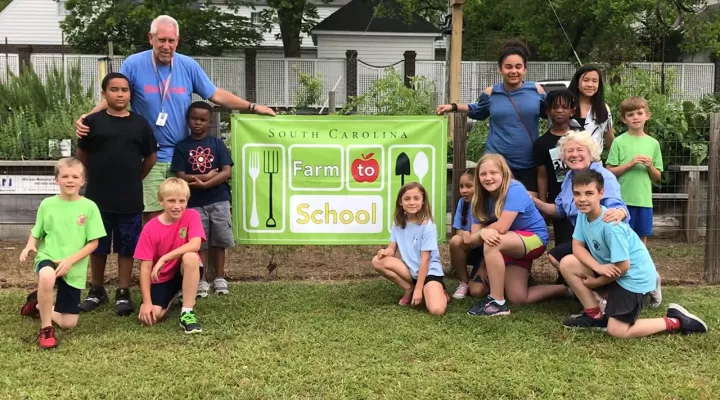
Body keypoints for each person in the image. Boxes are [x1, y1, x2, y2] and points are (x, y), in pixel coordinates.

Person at [74, 15, 275, 224]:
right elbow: (115, 94)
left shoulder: (188, 65)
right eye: (161, 40)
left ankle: (179, 258)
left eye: (171, 41)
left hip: (182, 156)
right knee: (151, 216)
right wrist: (88, 118)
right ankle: (152, 258)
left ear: (177, 41)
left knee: (181, 217)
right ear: (150, 38)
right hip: (148, 156)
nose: (166, 46)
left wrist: (252, 107)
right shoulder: (134, 64)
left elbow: (215, 94)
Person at [558, 169, 707, 337]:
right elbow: (577, 245)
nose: (582, 199)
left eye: (589, 193)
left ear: (601, 193)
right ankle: (595, 315)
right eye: (577, 194)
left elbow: (624, 266)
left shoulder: (611, 226)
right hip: (611, 270)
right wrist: (598, 267)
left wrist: (597, 282)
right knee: (568, 263)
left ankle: (677, 320)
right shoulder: (583, 216)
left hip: (632, 278)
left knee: (617, 332)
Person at [76, 72, 158, 316]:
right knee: (98, 245)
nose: (119, 94)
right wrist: (96, 175)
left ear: (130, 94)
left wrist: (134, 179)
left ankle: (123, 292)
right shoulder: (93, 122)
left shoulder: (140, 124)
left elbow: (151, 158)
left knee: (127, 246)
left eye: (124, 90)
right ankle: (97, 289)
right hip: (98, 198)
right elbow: (83, 155)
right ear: (104, 94)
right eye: (114, 90)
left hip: (130, 198)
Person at [437, 40, 546, 197]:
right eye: (508, 67)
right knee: (496, 208)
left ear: (525, 69)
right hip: (497, 162)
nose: (513, 71)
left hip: (528, 163)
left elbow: (553, 112)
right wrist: (453, 107)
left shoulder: (536, 91)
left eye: (518, 67)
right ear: (500, 70)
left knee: (526, 208)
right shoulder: (491, 93)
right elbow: (477, 111)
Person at [463, 154, 568, 317]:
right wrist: (483, 234)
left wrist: (483, 232)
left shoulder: (515, 189)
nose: (488, 178)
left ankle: (497, 302)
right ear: (477, 177)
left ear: (503, 173)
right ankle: (566, 290)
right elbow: (473, 238)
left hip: (534, 239)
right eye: (483, 174)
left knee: (493, 242)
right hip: (509, 245)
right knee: (517, 297)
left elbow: (501, 228)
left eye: (493, 173)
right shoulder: (479, 199)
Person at [18, 158, 106, 348]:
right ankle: (46, 328)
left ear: (83, 181)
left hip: (73, 266)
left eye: (75, 176)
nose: (70, 180)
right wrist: (29, 245)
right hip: (48, 257)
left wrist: (70, 260)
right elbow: (37, 231)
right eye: (65, 176)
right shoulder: (47, 204)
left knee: (69, 323)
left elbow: (94, 243)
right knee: (47, 275)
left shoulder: (90, 207)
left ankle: (39, 304)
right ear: (56, 180)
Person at [171, 101, 234, 297]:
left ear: (209, 122)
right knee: (201, 242)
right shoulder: (182, 147)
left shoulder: (217, 144)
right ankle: (202, 280)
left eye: (203, 120)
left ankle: (220, 278)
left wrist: (208, 184)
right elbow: (180, 175)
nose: (198, 123)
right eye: (194, 119)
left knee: (220, 239)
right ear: (188, 120)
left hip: (219, 199)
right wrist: (206, 177)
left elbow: (227, 172)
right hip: (194, 203)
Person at [133, 178, 206, 334]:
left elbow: (195, 245)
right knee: (151, 318)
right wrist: (146, 302)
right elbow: (145, 268)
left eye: (182, 201)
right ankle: (177, 293)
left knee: (191, 257)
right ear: (161, 201)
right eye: (171, 201)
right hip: (163, 277)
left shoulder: (192, 215)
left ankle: (187, 313)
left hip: (184, 269)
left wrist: (164, 258)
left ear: (187, 201)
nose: (177, 206)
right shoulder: (150, 228)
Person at [372, 182, 447, 316]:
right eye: (407, 199)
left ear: (423, 201)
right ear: (400, 202)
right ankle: (408, 288)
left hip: (429, 271)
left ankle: (437, 290)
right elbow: (391, 249)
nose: (411, 202)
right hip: (410, 271)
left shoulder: (428, 226)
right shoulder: (398, 222)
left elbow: (425, 260)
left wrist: (420, 288)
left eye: (416, 198)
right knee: (377, 261)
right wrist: (385, 252)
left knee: (437, 310)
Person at [606, 96, 663, 245]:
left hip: (644, 201)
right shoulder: (618, 142)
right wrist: (629, 164)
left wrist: (650, 166)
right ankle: (623, 266)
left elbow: (657, 176)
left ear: (647, 116)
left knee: (641, 238)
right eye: (630, 115)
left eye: (639, 113)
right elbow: (609, 171)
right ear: (624, 120)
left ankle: (639, 266)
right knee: (621, 235)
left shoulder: (653, 144)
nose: (635, 117)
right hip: (622, 201)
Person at [533, 89, 578, 248]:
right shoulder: (542, 143)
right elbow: (542, 175)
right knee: (563, 240)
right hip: (558, 201)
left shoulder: (580, 136)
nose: (559, 111)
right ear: (547, 110)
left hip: (582, 197)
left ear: (572, 110)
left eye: (564, 107)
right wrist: (543, 203)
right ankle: (563, 272)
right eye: (555, 107)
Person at [449, 169, 484, 299]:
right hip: (470, 246)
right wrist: (464, 234)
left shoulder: (486, 203)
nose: (464, 190)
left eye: (469, 186)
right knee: (455, 241)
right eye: (461, 186)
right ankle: (464, 282)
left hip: (487, 250)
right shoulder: (462, 203)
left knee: (477, 291)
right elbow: (458, 229)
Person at [567, 65, 614, 149]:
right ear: (577, 83)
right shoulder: (566, 106)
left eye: (595, 81)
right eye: (586, 80)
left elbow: (610, 139)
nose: (590, 85)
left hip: (595, 160)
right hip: (568, 159)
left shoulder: (604, 108)